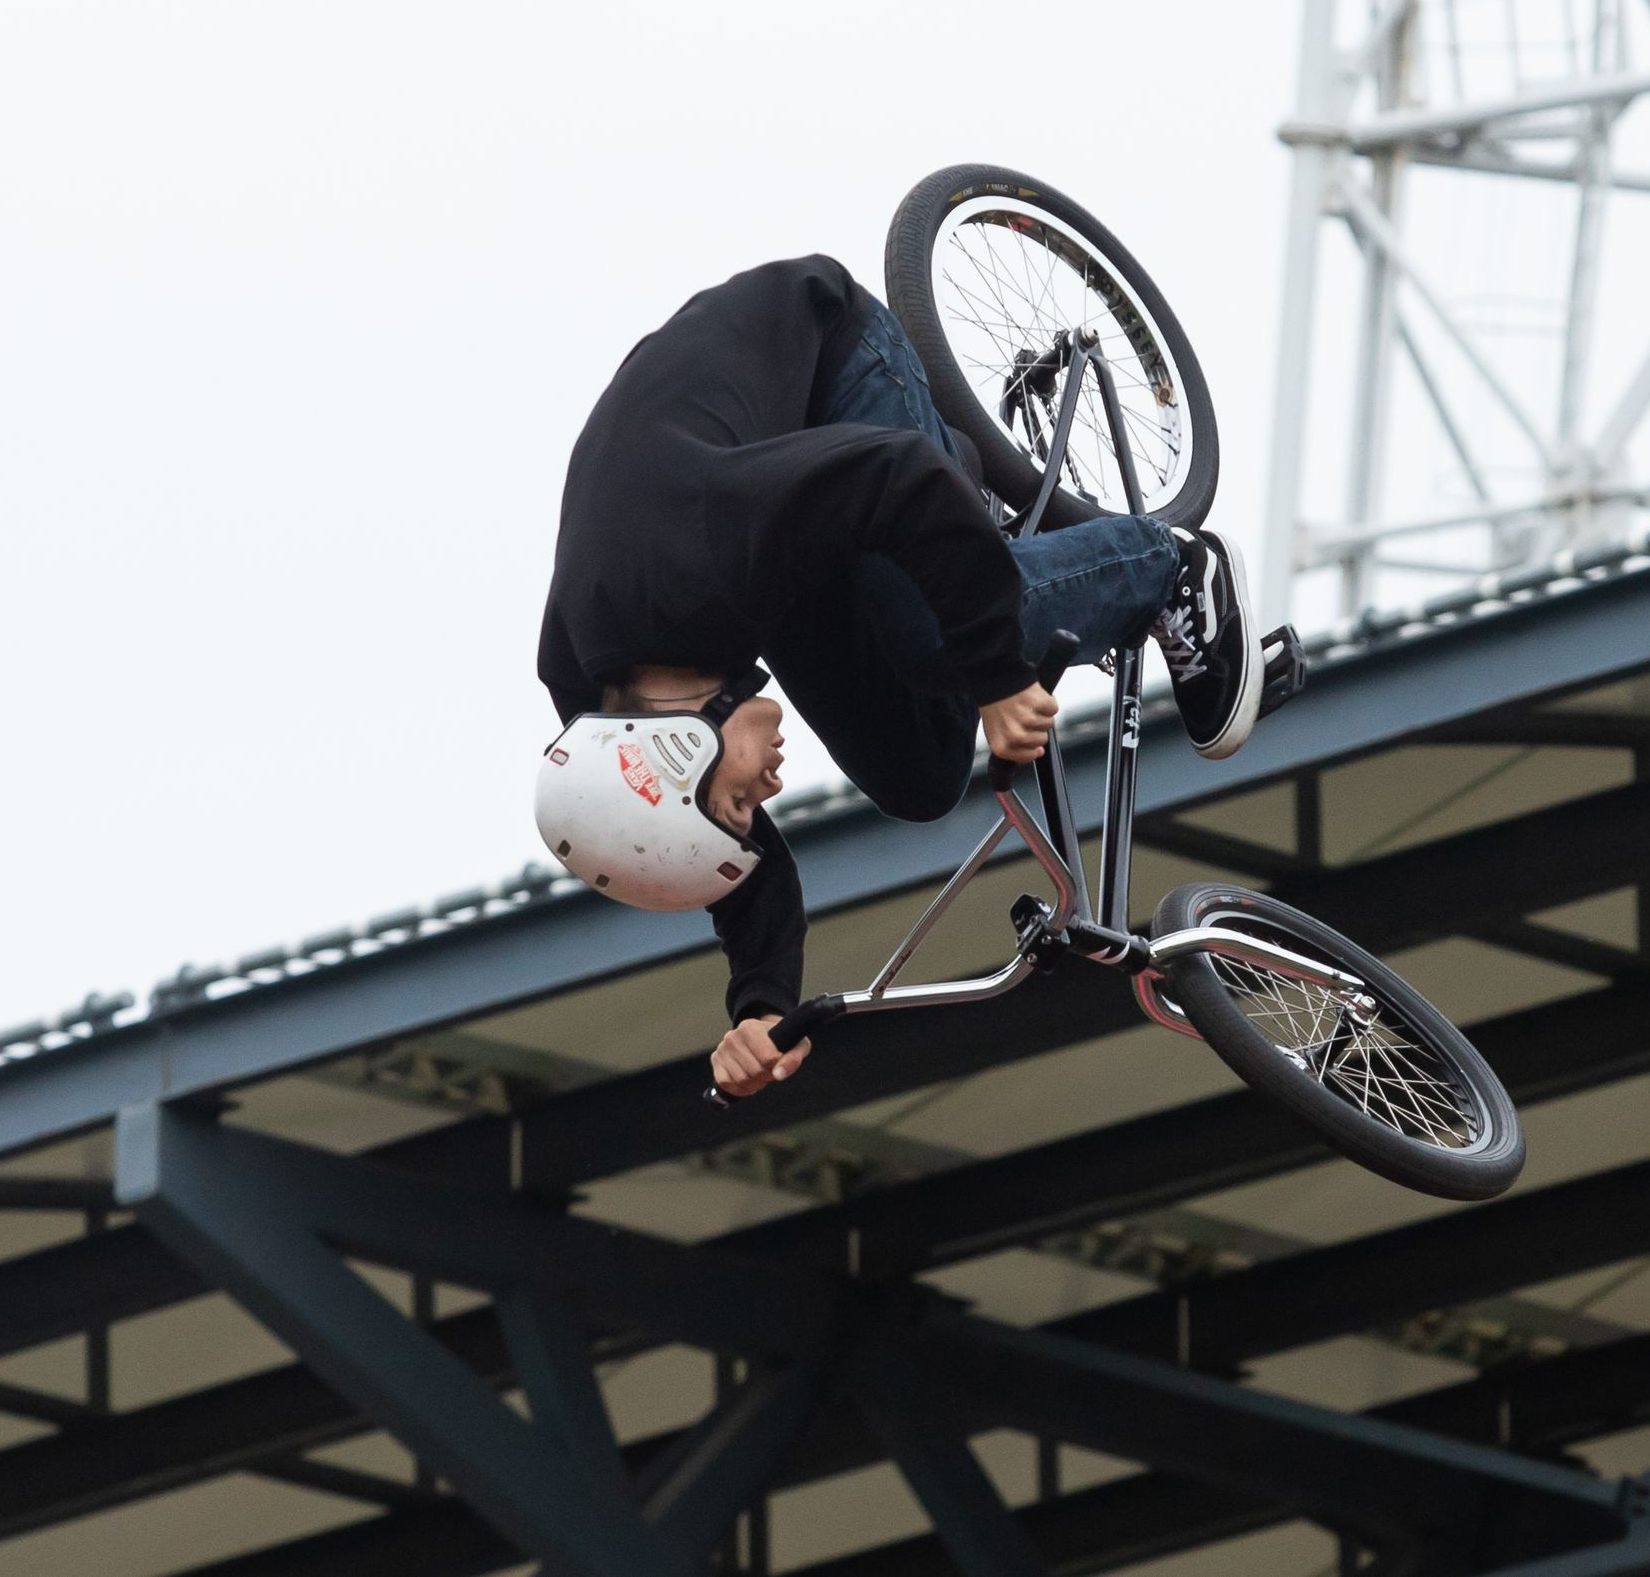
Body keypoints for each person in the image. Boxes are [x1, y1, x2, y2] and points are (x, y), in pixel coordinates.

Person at [532, 255, 1261, 1099]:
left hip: (833, 369)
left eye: (742, 799)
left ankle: (1164, 565)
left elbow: (895, 477)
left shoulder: (700, 544)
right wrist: (760, 1005)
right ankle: (967, 552)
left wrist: (993, 674)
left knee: (932, 640)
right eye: (748, 811)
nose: (766, 796)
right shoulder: (610, 722)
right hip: (782, 527)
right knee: (915, 778)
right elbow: (716, 846)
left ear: (680, 746)